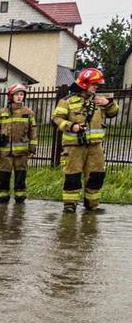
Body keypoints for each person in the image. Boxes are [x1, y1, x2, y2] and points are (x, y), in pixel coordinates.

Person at [51, 67, 120, 213]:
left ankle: (92, 205)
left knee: (96, 176)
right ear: (84, 83)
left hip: (95, 147)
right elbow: (56, 119)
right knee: (72, 176)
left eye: (98, 84)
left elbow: (113, 113)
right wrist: (71, 126)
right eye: (94, 84)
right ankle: (70, 206)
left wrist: (108, 103)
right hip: (73, 146)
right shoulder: (67, 101)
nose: (97, 87)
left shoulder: (99, 100)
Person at [0, 83, 37, 204]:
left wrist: (32, 148)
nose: (20, 97)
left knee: (20, 176)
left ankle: (20, 198)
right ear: (11, 96)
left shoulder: (29, 113)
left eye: (22, 94)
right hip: (4, 153)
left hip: (22, 153)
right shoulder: (1, 113)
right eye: (17, 94)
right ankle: (3, 197)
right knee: (4, 175)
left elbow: (33, 132)